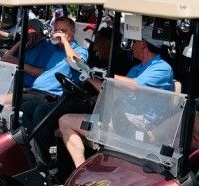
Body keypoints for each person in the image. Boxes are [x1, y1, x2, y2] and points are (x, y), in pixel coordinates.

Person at [58, 26, 170, 169]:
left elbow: (134, 86)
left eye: (134, 42)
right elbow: (112, 91)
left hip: (137, 128)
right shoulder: (136, 69)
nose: (131, 46)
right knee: (65, 121)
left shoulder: (162, 68)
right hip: (118, 121)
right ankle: (80, 170)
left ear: (143, 44)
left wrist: (101, 75)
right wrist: (88, 74)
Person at [17, 17, 89, 160]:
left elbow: (78, 64)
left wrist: (65, 42)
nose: (59, 33)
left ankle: (43, 159)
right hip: (37, 90)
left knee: (40, 111)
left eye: (64, 30)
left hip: (56, 96)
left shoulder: (79, 50)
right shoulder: (54, 51)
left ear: (72, 32)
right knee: (24, 107)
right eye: (56, 30)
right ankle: (28, 152)